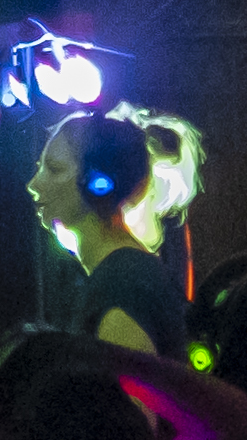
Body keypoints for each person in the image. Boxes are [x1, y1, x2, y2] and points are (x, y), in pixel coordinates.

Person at [36, 106, 204, 359]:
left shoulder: (120, 284)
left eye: (54, 169)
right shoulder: (125, 274)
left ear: (98, 183)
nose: (34, 185)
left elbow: (139, 397)